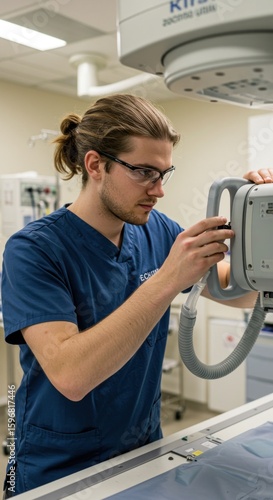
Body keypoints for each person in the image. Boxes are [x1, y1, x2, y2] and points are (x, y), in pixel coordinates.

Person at [1, 94, 272, 497]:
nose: (158, 190)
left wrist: (261, 234)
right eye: (145, 172)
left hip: (141, 447)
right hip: (59, 462)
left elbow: (232, 289)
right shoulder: (34, 250)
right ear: (96, 165)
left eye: (165, 173)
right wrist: (166, 280)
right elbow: (71, 375)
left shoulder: (156, 228)